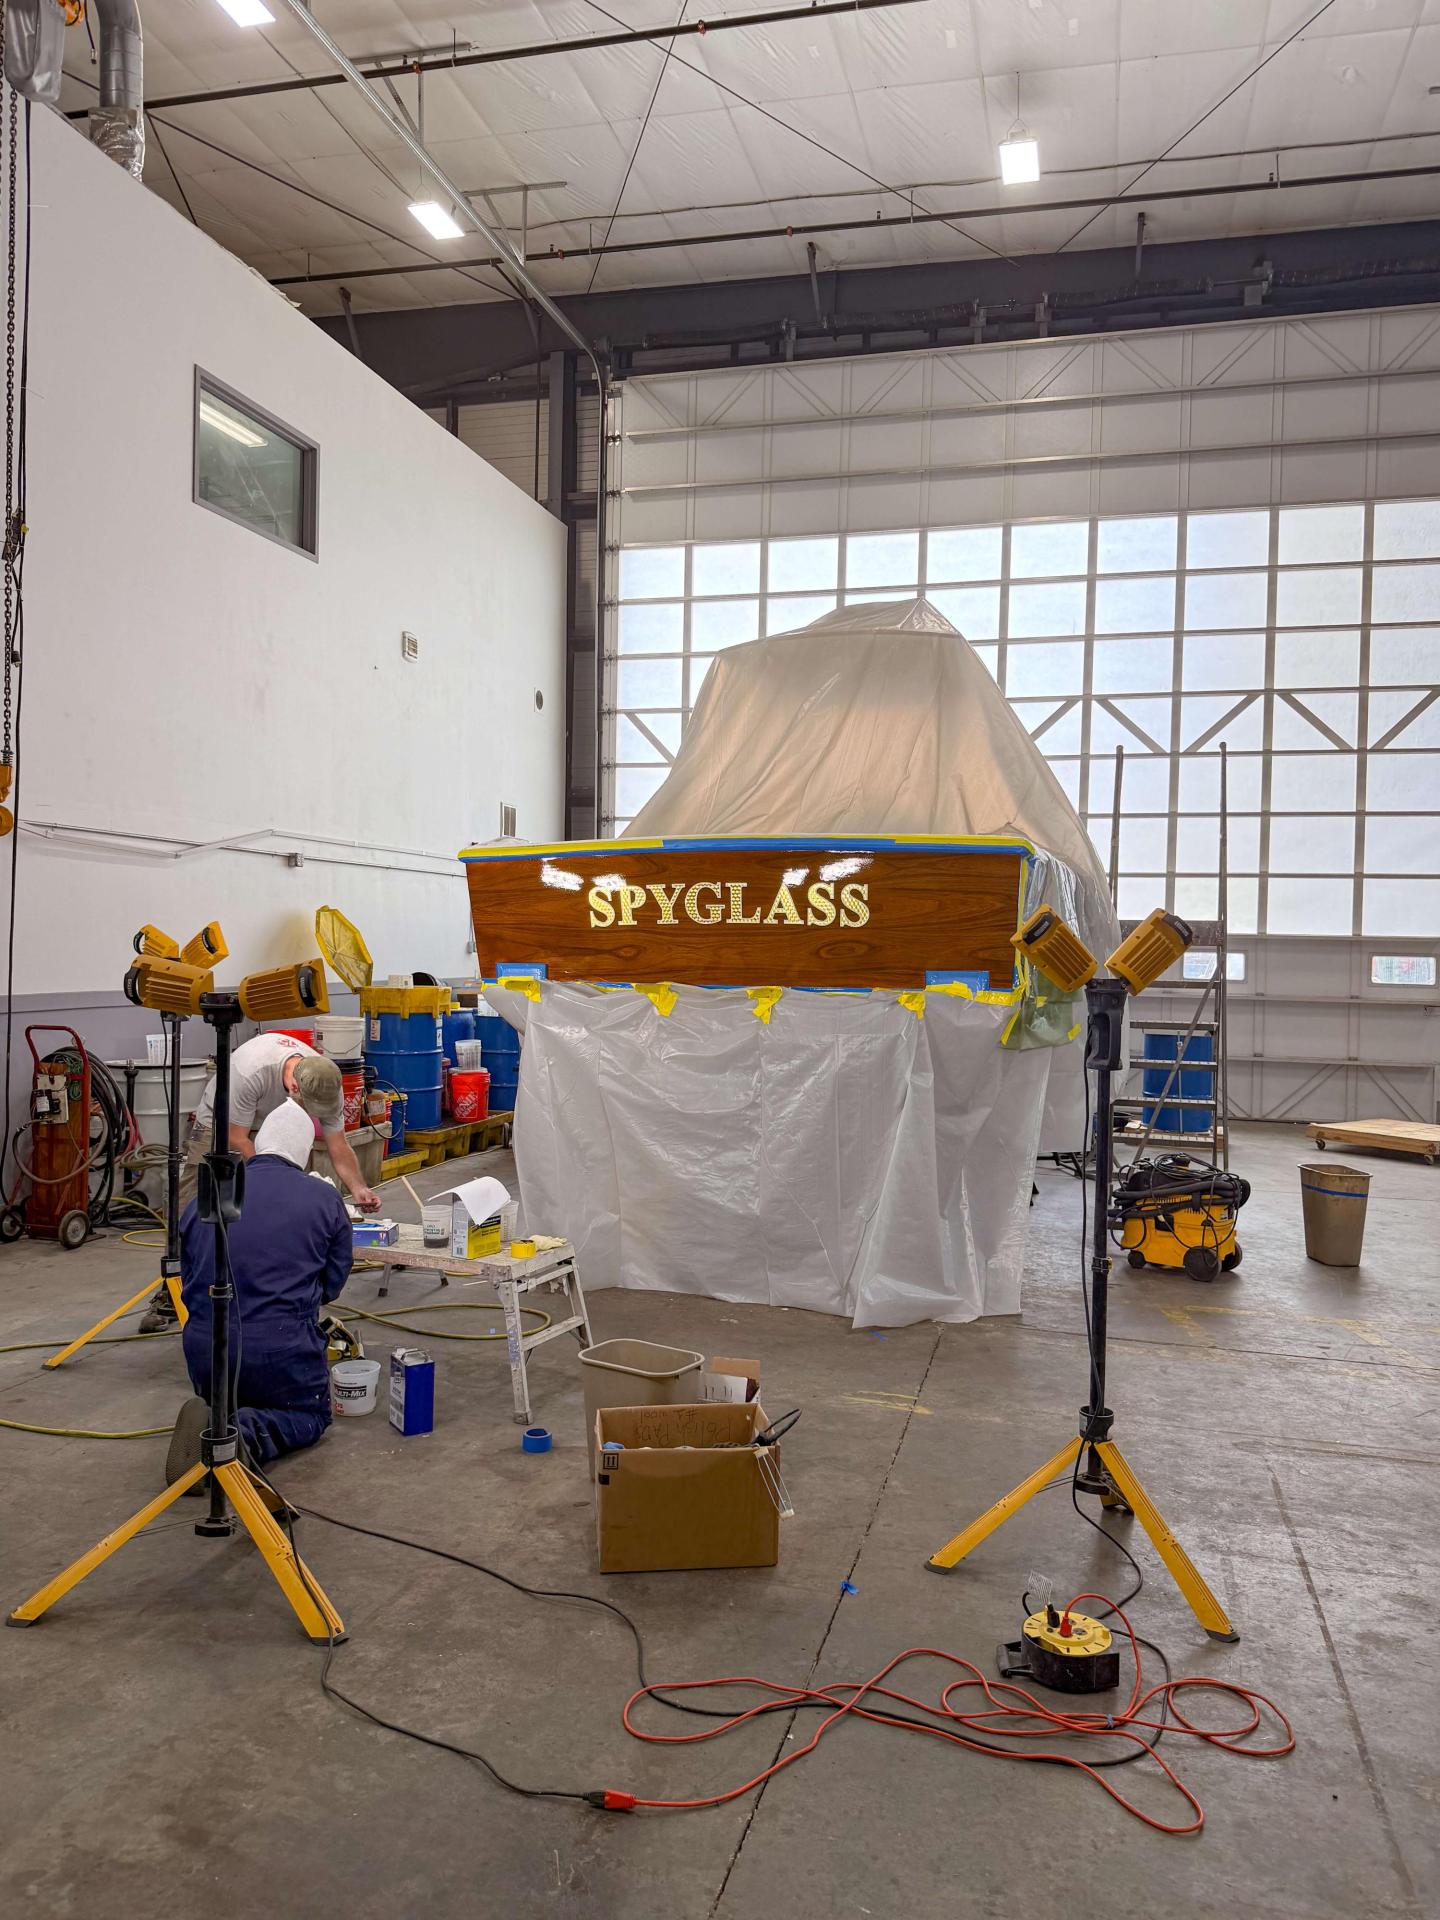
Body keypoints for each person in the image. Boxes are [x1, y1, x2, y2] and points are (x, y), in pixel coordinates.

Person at [165, 1099, 353, 1483]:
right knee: (310, 1415)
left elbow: (187, 1272)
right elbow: (332, 1283)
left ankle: (218, 1413)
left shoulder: (209, 1195)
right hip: (278, 1349)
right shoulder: (323, 1198)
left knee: (237, 1382)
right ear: (303, 1154)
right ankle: (240, 1436)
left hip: (205, 1350)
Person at [140, 1030, 377, 1331]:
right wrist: (277, 1181)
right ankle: (173, 1290)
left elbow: (338, 1144)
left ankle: (256, 1280)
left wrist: (359, 1188)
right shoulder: (250, 1070)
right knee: (196, 1205)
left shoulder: (325, 1081)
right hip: (221, 1121)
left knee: (269, 1207)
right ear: (294, 1087)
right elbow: (237, 1139)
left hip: (268, 1120)